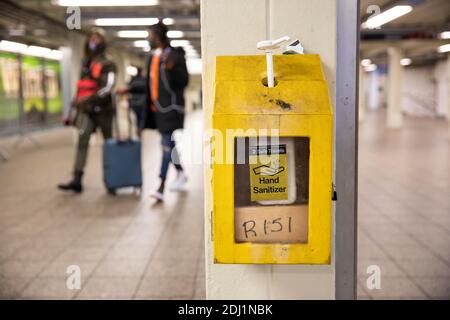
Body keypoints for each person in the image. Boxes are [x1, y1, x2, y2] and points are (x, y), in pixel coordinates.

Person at [58, 27, 116, 193]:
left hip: (104, 110)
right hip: (86, 110)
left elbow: (108, 88)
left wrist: (88, 99)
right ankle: (77, 179)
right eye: (91, 38)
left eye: (97, 39)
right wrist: (77, 101)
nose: (93, 42)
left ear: (103, 42)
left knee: (108, 144)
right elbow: (82, 85)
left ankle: (112, 179)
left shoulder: (109, 64)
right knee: (82, 139)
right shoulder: (85, 63)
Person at [143, 22, 189, 201]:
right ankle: (181, 172)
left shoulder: (175, 55)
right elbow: (149, 84)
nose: (149, 39)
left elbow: (183, 81)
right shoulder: (152, 57)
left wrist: (171, 70)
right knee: (169, 144)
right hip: (157, 109)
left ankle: (161, 186)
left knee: (165, 144)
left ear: (158, 36)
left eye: (150, 35)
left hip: (171, 108)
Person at [117, 67, 146, 135]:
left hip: (139, 102)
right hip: (137, 102)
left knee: (139, 117)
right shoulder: (137, 79)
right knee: (139, 117)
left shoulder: (139, 80)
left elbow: (131, 88)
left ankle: (139, 128)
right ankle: (139, 128)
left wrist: (128, 89)